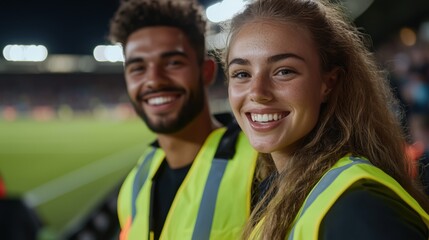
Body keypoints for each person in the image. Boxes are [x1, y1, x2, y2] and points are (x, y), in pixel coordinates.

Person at [223, 0, 429, 239]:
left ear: (328, 83)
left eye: (284, 71)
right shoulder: (279, 191)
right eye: (241, 74)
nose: (257, 92)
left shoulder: (358, 206)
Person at [108, 0, 258, 239]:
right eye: (138, 68)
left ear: (206, 71)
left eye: (173, 63)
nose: (154, 80)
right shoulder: (136, 181)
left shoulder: (261, 164)